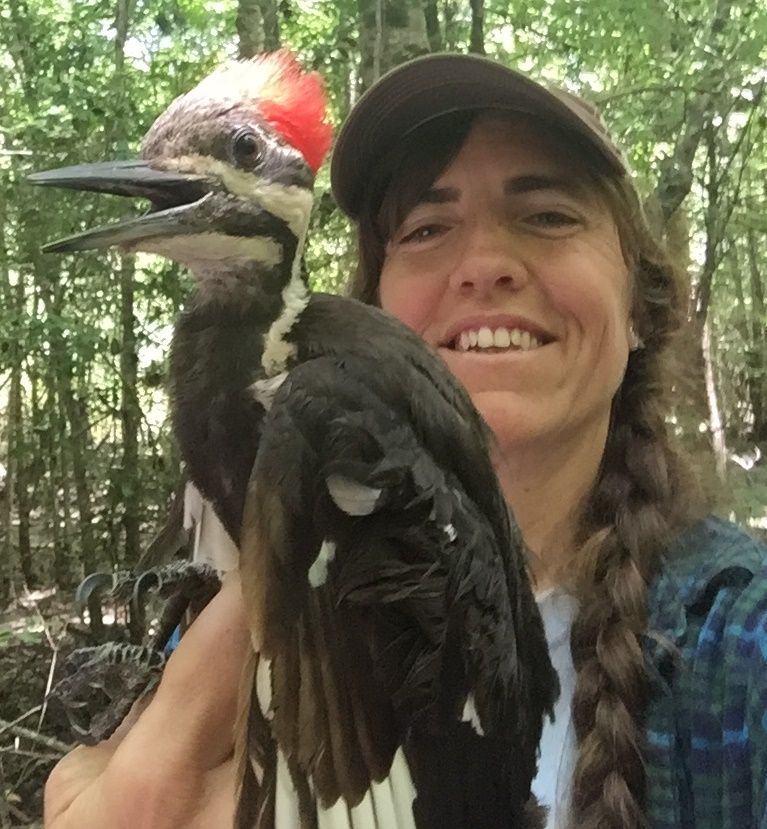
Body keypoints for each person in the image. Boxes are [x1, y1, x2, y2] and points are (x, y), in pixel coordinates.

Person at [45, 53, 767, 829]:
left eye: (549, 215)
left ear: (637, 308)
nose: (484, 266)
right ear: (375, 302)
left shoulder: (742, 646)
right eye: (425, 226)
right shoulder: (268, 446)